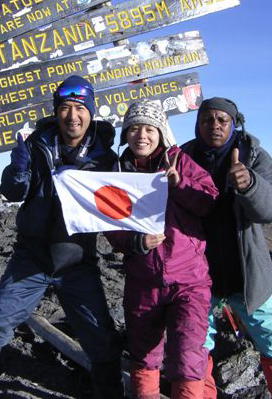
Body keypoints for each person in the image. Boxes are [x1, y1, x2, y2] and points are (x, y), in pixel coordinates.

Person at [0, 75, 124, 398]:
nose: (73, 116)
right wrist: (18, 167)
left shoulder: (105, 158)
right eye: (65, 108)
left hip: (78, 261)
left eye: (80, 108)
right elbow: (12, 191)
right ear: (56, 111)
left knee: (100, 337)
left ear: (91, 111)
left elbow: (117, 208)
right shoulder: (35, 143)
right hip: (32, 257)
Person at [181, 97, 272, 399]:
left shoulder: (254, 157)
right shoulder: (184, 157)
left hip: (247, 274)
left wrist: (250, 183)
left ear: (234, 124)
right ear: (197, 124)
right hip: (199, 276)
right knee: (196, 347)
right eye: (206, 120)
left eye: (222, 120)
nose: (214, 125)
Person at [105, 100, 218, 399]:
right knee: (144, 354)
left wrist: (179, 184)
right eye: (134, 128)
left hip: (189, 281)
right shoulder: (118, 172)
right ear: (125, 134)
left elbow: (209, 201)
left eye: (149, 129)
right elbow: (108, 221)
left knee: (188, 356)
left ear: (160, 132)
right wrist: (134, 242)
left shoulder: (179, 161)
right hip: (143, 281)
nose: (141, 135)